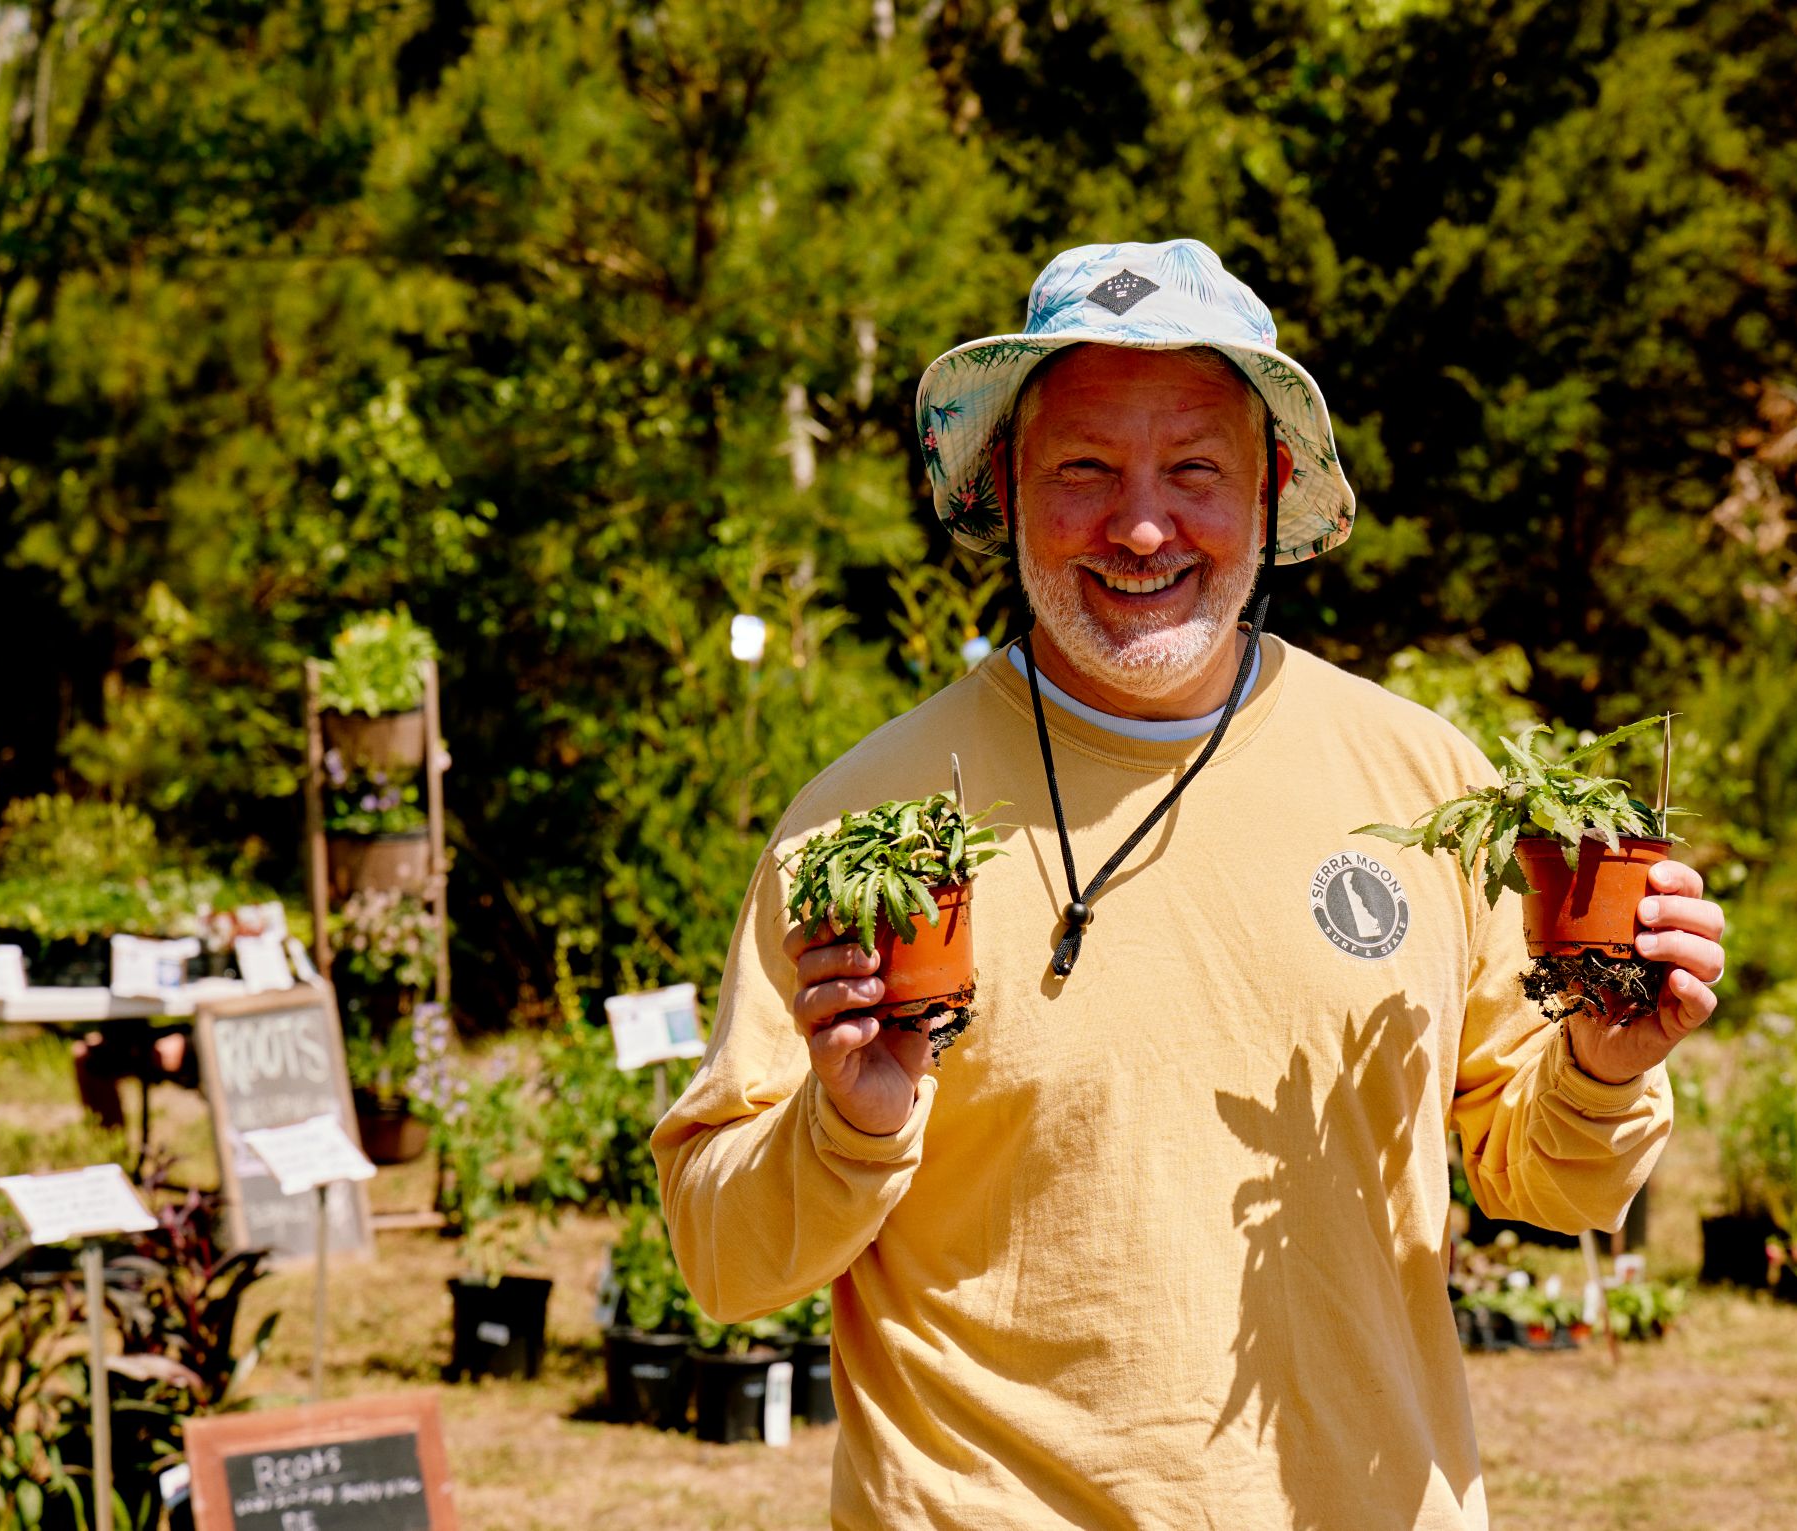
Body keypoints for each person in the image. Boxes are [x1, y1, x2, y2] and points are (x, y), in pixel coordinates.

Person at [654, 239, 1727, 1529]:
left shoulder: (1416, 781)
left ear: (1274, 487)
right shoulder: (866, 824)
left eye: (1197, 470)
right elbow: (721, 1264)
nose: (1144, 524)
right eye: (1085, 469)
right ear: (1006, 486)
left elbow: (1551, 1178)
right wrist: (851, 1126)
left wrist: (1606, 1065)